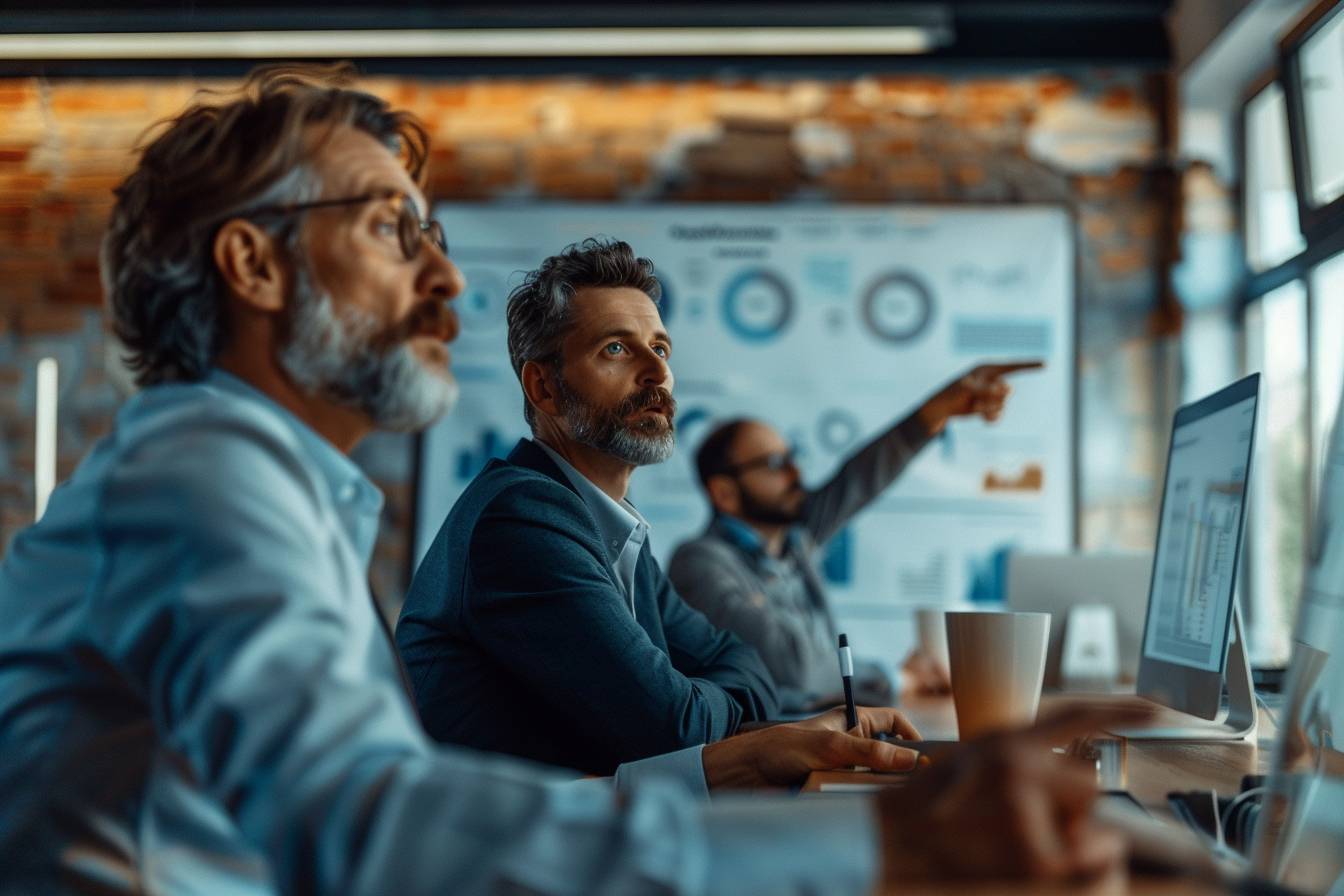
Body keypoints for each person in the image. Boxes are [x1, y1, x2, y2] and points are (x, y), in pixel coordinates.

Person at [0, 63, 1140, 895]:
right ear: (251, 262)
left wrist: (739, 754)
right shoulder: (205, 477)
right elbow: (367, 827)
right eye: (394, 228)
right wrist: (883, 845)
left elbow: (392, 797)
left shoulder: (264, 486)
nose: (444, 276)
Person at [401, 239, 796, 775]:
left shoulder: (611, 527)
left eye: (659, 349)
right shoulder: (521, 517)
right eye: (616, 348)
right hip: (502, 853)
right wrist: (716, 707)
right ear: (544, 387)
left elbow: (746, 663)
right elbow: (671, 730)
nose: (656, 375)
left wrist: (701, 702)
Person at [668, 362, 1040, 711]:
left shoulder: (795, 542)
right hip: (763, 760)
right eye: (775, 464)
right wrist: (893, 679)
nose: (795, 471)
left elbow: (860, 479)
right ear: (724, 493)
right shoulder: (699, 564)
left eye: (792, 456)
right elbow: (795, 671)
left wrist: (940, 408)